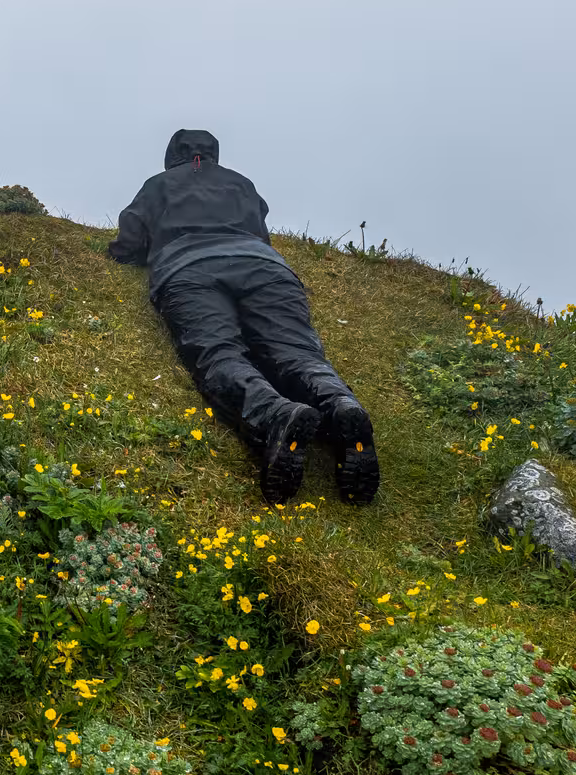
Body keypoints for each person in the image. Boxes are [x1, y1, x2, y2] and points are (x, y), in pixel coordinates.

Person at [108, 129, 379, 505]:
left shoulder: (158, 184)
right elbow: (261, 231)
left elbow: (129, 241)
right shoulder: (243, 184)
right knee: (298, 353)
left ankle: (274, 414)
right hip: (266, 268)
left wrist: (124, 253)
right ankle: (341, 405)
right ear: (214, 155)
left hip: (190, 269)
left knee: (218, 353)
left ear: (173, 156)